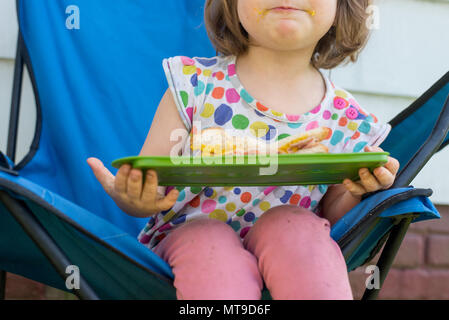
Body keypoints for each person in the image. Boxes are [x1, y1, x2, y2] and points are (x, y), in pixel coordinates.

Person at [87, 0, 400, 299]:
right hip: (190, 243)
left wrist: (358, 190)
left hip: (294, 261)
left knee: (297, 228)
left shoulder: (345, 119)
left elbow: (335, 213)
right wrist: (132, 198)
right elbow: (150, 187)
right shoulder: (194, 86)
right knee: (209, 242)